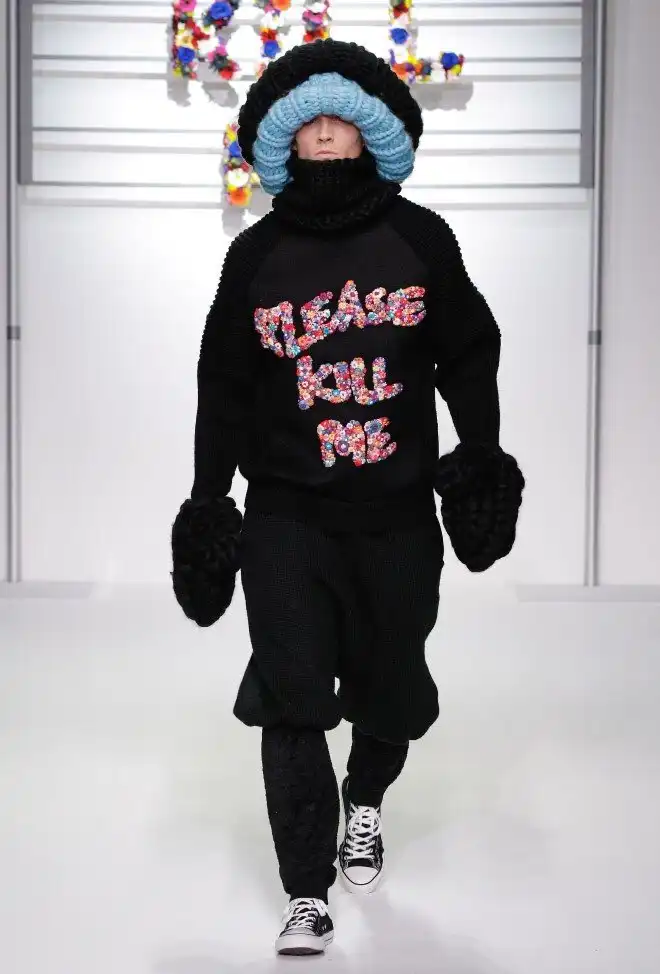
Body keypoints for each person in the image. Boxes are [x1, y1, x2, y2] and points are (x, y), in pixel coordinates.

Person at [171, 38, 525, 957]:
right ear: (286, 139)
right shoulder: (255, 256)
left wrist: (480, 456)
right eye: (310, 122)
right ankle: (306, 891)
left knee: (390, 690)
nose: (326, 134)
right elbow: (223, 385)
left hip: (396, 518)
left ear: (371, 133)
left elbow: (469, 352)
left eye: (343, 120)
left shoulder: (419, 240)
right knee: (290, 695)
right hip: (286, 518)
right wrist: (210, 500)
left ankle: (363, 800)